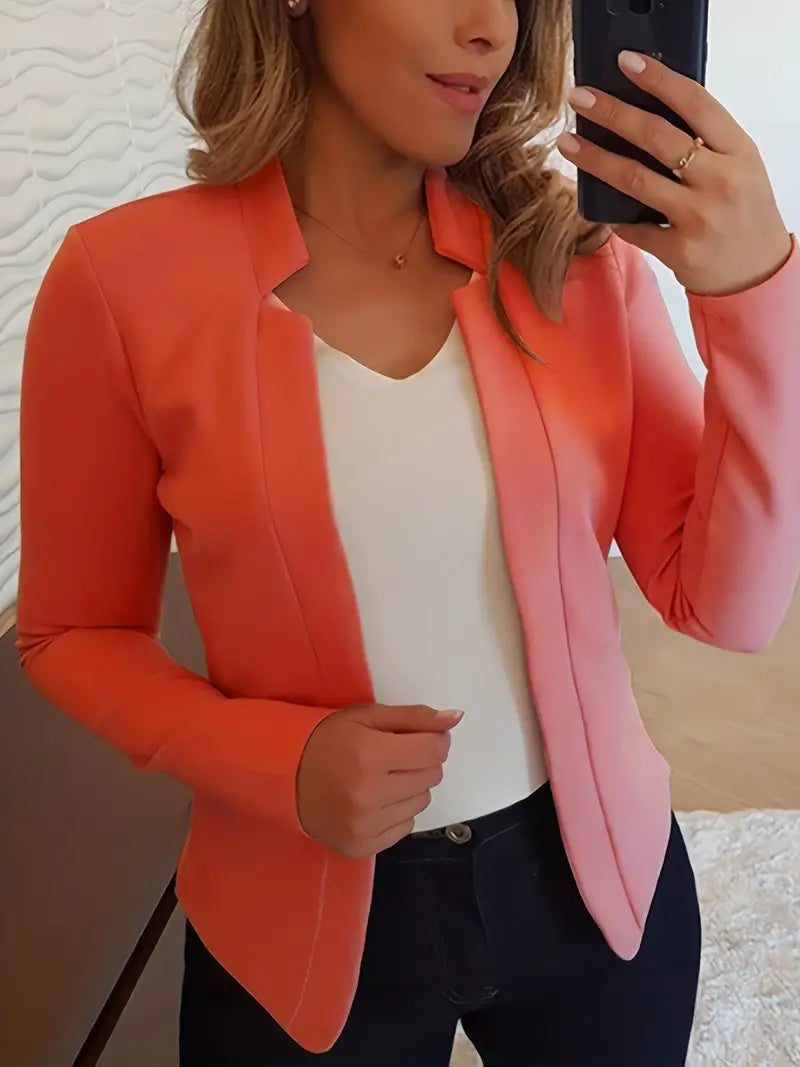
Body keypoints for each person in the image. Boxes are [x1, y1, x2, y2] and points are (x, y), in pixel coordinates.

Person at [17, 1, 798, 1064]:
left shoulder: (573, 261)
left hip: (594, 889)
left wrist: (756, 296)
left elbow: (728, 609)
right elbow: (72, 632)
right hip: (290, 910)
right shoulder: (122, 283)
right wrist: (276, 759)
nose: (492, 29)